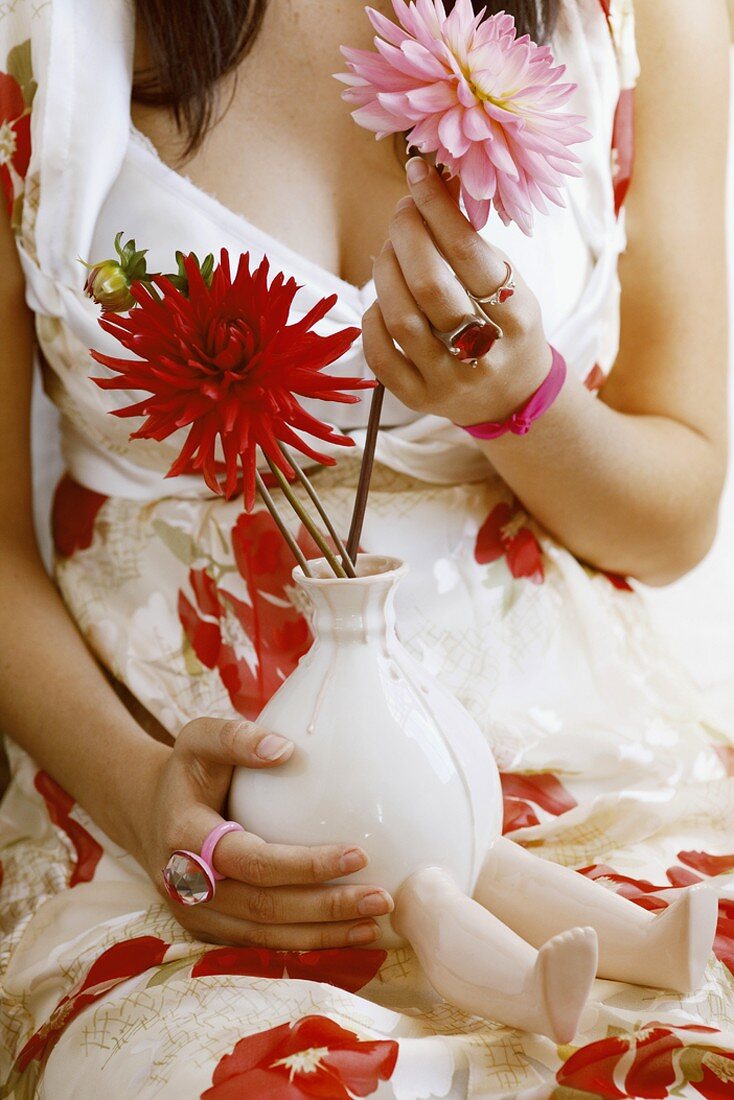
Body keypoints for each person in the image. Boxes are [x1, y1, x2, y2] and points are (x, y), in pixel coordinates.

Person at [1, 0, 733, 1096]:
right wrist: (146, 796)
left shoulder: (644, 21)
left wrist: (519, 401)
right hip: (185, 809)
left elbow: (674, 517)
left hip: (574, 763)